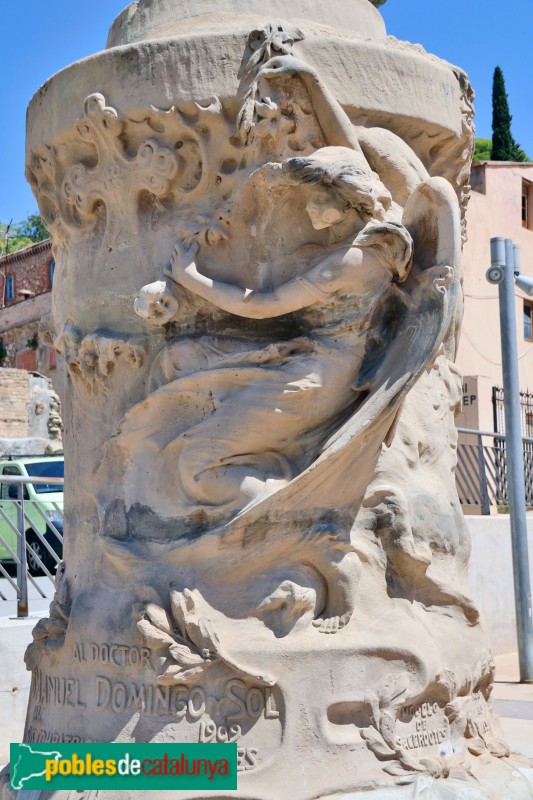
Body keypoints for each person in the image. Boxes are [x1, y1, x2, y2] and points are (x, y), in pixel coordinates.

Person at [130, 146, 413, 523]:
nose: (308, 208)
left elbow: (262, 305)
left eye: (317, 199)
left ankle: (297, 514)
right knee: (183, 357)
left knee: (196, 466)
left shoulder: (352, 262)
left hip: (319, 378)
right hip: (304, 356)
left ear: (348, 201)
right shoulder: (358, 247)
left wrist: (191, 277)